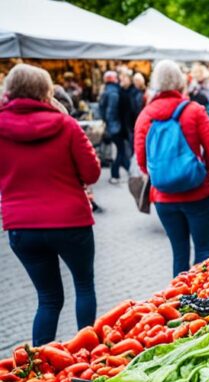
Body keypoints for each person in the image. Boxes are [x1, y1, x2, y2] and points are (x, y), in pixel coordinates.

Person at [0, 64, 101, 345]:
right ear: (46, 90)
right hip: (71, 221)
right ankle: (88, 354)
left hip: (22, 227)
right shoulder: (66, 124)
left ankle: (40, 366)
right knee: (84, 286)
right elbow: (91, 172)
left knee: (47, 298)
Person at [135, 60, 209, 277]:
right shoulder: (194, 111)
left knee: (179, 254)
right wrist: (204, 170)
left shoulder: (145, 116)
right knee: (204, 251)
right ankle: (204, 304)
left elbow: (141, 161)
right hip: (198, 194)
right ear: (180, 81)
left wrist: (164, 174)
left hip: (163, 198)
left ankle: (179, 304)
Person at [99, 70, 129, 184]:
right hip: (115, 127)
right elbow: (111, 112)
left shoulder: (107, 91)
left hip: (112, 126)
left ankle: (126, 171)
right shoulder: (113, 92)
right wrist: (115, 126)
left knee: (120, 150)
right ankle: (116, 174)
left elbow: (103, 111)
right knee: (121, 151)